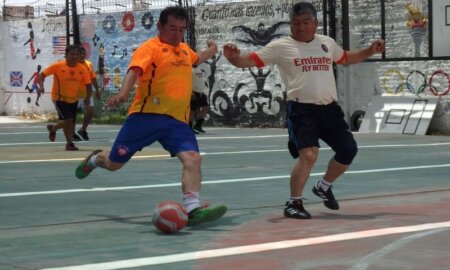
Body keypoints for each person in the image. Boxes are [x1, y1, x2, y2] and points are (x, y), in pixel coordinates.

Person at [223, 2, 384, 219]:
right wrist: (234, 58)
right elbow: (248, 61)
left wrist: (369, 51)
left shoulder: (326, 43)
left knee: (348, 150)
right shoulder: (280, 46)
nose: (300, 27)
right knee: (308, 155)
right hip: (301, 110)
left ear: (315, 23)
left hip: (330, 109)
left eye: (305, 22)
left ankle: (324, 186)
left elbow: (345, 58)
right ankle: (293, 203)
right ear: (290, 24)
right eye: (296, 23)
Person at [75, 6, 227, 227]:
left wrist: (213, 49)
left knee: (193, 158)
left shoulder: (184, 49)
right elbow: (134, 71)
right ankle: (95, 159)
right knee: (114, 164)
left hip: (177, 121)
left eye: (181, 30)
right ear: (160, 27)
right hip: (145, 118)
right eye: (172, 29)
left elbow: (197, 58)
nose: (177, 34)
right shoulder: (150, 48)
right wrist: (123, 94)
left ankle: (193, 208)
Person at [39, 45, 93, 151]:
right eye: (72, 54)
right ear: (66, 55)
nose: (75, 56)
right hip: (59, 98)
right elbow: (42, 75)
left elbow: (88, 85)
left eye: (76, 54)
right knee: (68, 120)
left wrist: (87, 97)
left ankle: (53, 129)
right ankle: (69, 144)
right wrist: (41, 86)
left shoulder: (82, 69)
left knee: (70, 122)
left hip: (73, 98)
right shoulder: (58, 66)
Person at [74, 46, 101, 141]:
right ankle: (72, 132)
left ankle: (83, 130)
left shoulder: (89, 65)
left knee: (90, 111)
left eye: (83, 53)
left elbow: (93, 78)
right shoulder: (73, 65)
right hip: (74, 94)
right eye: (79, 54)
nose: (82, 55)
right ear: (76, 55)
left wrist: (97, 90)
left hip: (87, 93)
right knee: (73, 114)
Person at [190, 65, 209, 134]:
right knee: (193, 111)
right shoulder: (189, 69)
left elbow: (199, 80)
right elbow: (188, 81)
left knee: (205, 107)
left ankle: (198, 125)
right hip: (193, 92)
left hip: (200, 92)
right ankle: (189, 127)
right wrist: (191, 92)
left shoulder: (198, 68)